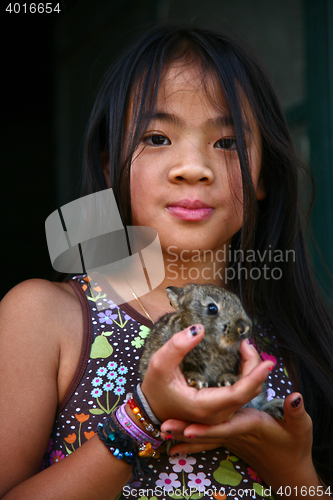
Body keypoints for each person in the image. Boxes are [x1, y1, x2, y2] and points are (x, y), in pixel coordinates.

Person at [0, 24, 332, 500]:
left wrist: (291, 469)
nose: (193, 166)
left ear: (264, 176)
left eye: (228, 142)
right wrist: (143, 418)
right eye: (156, 138)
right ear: (108, 163)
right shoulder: (45, 317)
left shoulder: (294, 340)